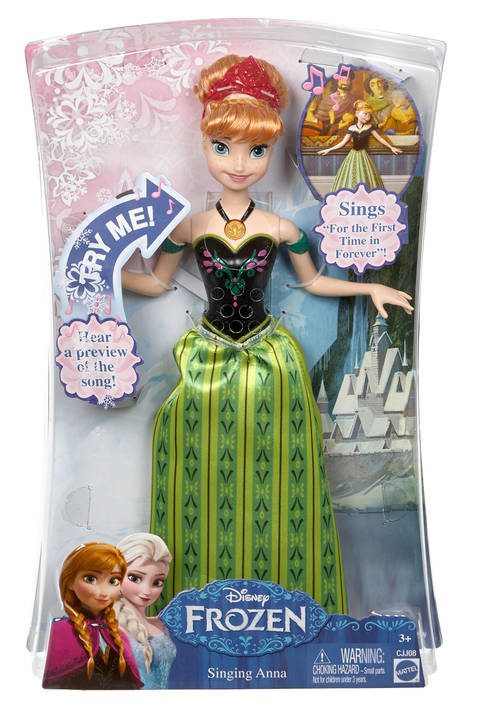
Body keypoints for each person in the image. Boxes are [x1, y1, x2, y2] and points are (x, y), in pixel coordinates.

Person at [122, 55, 413, 613]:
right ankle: (190, 597)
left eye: (256, 151)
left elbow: (314, 280)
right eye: (223, 147)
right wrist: (98, 277)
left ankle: (287, 595)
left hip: (269, 358)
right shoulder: (190, 227)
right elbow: (156, 283)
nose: (239, 163)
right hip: (207, 357)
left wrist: (370, 288)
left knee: (283, 467)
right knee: (190, 453)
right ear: (205, 144)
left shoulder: (279, 228)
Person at [42, 542, 143, 689]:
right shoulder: (59, 633)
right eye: (90, 579)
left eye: (113, 581)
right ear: (69, 581)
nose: (104, 592)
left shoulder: (119, 636)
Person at [115, 533, 176, 689]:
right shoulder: (108, 628)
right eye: (135, 578)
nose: (147, 591)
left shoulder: (163, 624)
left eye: (157, 582)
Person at [318, 99, 402, 191]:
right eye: (365, 114)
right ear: (357, 114)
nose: (367, 117)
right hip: (352, 155)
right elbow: (343, 143)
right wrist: (329, 149)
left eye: (369, 115)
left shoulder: (369, 127)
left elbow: (380, 139)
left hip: (363, 155)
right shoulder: (351, 128)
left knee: (365, 177)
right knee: (350, 176)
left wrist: (391, 147)